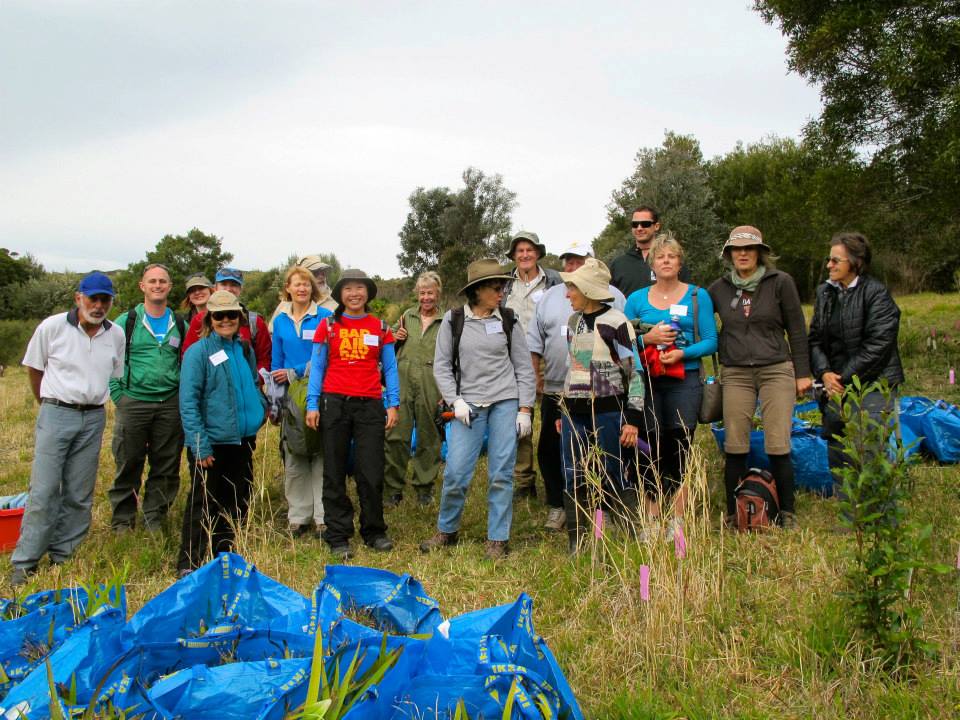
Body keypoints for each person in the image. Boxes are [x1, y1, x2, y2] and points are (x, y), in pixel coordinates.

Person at [12, 272, 125, 585]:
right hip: (56, 412)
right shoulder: (52, 327)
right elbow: (34, 368)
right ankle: (25, 563)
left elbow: (114, 373)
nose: (98, 305)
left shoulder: (115, 334)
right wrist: (47, 404)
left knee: (79, 492)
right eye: (93, 299)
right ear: (79, 298)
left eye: (105, 300)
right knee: (44, 490)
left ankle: (63, 556)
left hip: (93, 416)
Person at [420, 259, 537, 559]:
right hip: (467, 404)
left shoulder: (508, 320)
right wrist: (455, 400)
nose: (501, 293)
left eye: (503, 288)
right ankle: (447, 530)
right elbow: (442, 367)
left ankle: (498, 538)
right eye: (496, 288)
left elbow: (524, 368)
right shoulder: (454, 320)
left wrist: (524, 409)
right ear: (477, 291)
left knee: (501, 473)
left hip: (505, 401)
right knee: (456, 471)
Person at [708, 226, 812, 529]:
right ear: (728, 254)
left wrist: (803, 373)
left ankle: (787, 512)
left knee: (778, 442)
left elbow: (797, 329)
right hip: (736, 372)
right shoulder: (718, 289)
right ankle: (734, 514)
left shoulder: (780, 282)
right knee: (735, 443)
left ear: (759, 252)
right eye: (736, 249)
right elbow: (699, 322)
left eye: (749, 248)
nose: (742, 254)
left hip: (776, 368)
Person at [527, 242, 626, 531]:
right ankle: (564, 510)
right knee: (556, 451)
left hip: (606, 396)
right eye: (568, 262)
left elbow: (630, 365)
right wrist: (554, 397)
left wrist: (629, 406)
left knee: (604, 453)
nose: (572, 268)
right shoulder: (561, 307)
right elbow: (569, 361)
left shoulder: (616, 305)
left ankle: (605, 509)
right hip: (562, 391)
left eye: (578, 261)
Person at [624, 234, 717, 536]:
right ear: (651, 263)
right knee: (648, 446)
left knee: (680, 444)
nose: (666, 261)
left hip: (684, 379)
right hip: (647, 380)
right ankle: (651, 517)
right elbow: (622, 341)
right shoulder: (636, 300)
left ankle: (678, 518)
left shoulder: (697, 296)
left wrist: (682, 353)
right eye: (660, 256)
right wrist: (647, 338)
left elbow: (711, 341)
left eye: (672, 256)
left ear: (680, 262)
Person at [305, 269, 398, 560]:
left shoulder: (380, 327)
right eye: (348, 289)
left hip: (370, 404)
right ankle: (338, 535)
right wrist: (312, 404)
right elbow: (317, 367)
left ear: (368, 293)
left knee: (371, 470)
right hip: (334, 404)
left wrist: (393, 403)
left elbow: (390, 368)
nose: (354, 294)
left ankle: (374, 531)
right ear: (340, 294)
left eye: (360, 288)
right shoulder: (328, 326)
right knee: (334, 471)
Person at [557, 258, 645, 552]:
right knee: (573, 472)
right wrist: (563, 408)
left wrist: (632, 419)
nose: (567, 294)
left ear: (587, 289)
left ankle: (631, 536)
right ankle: (578, 542)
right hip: (574, 412)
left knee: (614, 470)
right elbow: (575, 368)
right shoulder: (574, 322)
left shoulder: (616, 323)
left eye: (572, 288)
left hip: (609, 410)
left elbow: (634, 373)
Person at [177, 290, 267, 576]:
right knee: (203, 503)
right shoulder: (198, 353)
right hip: (212, 443)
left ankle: (225, 558)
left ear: (239, 318)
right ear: (209, 319)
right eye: (219, 315)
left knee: (236, 501)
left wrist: (260, 407)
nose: (226, 320)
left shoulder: (244, 349)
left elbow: (253, 382)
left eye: (231, 315)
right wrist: (199, 444)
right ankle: (190, 563)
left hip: (242, 440)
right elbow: (188, 401)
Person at [808, 232, 903, 486]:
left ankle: (878, 509)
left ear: (855, 263)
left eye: (835, 260)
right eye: (829, 260)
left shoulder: (876, 294)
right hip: (834, 386)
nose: (829, 265)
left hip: (872, 384)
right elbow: (814, 339)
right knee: (839, 451)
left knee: (870, 454)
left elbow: (878, 345)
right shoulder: (825, 293)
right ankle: (847, 508)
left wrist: (842, 378)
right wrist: (824, 373)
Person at [108, 263, 185, 532]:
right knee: (129, 462)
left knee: (166, 464)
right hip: (133, 402)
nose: (157, 285)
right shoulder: (126, 322)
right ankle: (123, 521)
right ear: (142, 286)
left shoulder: (180, 324)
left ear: (170, 287)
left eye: (162, 281)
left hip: (170, 404)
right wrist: (119, 395)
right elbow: (109, 360)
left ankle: (155, 518)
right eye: (152, 281)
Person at [270, 265, 333, 537]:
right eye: (297, 284)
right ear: (288, 288)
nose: (302, 288)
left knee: (320, 452)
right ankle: (298, 515)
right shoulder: (280, 321)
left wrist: (295, 370)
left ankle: (322, 516)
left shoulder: (325, 317)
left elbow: (327, 357)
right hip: (290, 395)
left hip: (319, 390)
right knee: (294, 452)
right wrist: (274, 397)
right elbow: (276, 362)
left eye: (307, 284)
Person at [502, 231, 562, 500]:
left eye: (529, 250)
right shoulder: (505, 285)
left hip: (550, 359)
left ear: (538, 253)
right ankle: (524, 480)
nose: (525, 255)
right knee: (520, 418)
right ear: (514, 255)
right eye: (520, 251)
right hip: (513, 361)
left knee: (553, 419)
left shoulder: (554, 281)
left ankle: (559, 477)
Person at [383, 270, 444, 507]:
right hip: (403, 380)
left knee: (429, 437)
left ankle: (424, 488)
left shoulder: (447, 321)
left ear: (438, 294)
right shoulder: (406, 316)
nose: (426, 297)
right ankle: (393, 488)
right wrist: (395, 337)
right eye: (422, 293)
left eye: (430, 293)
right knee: (396, 436)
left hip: (431, 382)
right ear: (417, 294)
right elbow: (386, 344)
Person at [180, 267, 271, 373]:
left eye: (234, 285)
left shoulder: (255, 322)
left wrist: (253, 380)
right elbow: (188, 357)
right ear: (215, 288)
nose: (228, 289)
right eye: (223, 284)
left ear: (240, 289)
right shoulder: (200, 320)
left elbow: (265, 359)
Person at [610, 205, 691, 298]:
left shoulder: (671, 260)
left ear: (656, 226)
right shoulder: (619, 264)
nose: (639, 228)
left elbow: (686, 294)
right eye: (635, 224)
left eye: (645, 224)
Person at [269, 255, 337, 331]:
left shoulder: (335, 302)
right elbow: (272, 331)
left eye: (323, 271)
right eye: (315, 273)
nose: (321, 276)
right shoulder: (285, 305)